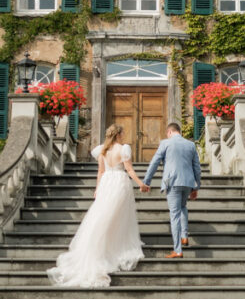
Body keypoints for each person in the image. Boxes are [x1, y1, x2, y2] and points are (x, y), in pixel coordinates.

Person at [46, 124, 147, 287]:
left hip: (107, 182)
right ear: (119, 135)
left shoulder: (103, 150)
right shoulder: (124, 149)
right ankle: (111, 247)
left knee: (105, 215)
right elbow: (129, 170)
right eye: (123, 133)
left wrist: (97, 189)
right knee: (116, 217)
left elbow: (100, 172)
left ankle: (104, 245)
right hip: (119, 182)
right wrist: (141, 184)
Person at [142, 123, 202, 259]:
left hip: (172, 182)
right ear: (179, 132)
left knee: (174, 214)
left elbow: (154, 163)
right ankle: (184, 236)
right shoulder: (190, 145)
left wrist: (146, 181)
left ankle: (178, 250)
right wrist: (196, 187)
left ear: (169, 132)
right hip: (187, 182)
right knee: (183, 207)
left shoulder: (165, 143)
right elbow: (197, 168)